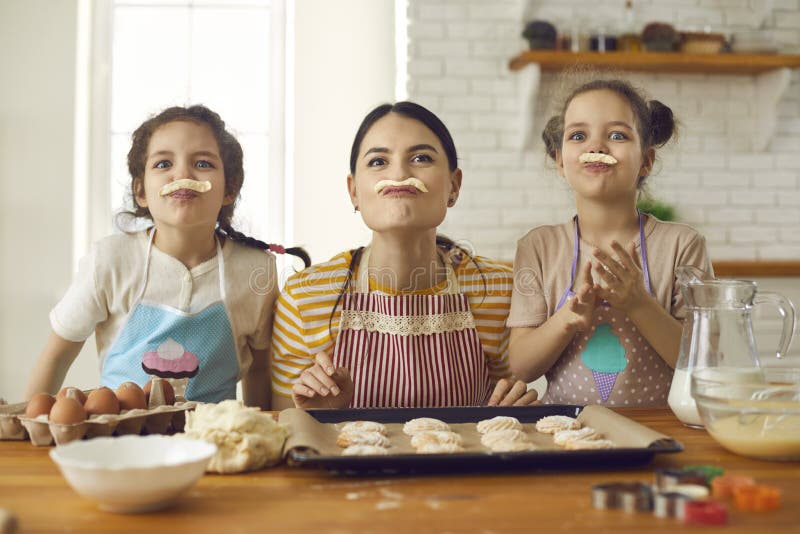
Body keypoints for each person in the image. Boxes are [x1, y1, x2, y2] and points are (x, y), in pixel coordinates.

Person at [25, 105, 309, 408]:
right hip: (122, 443)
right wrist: (27, 433)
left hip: (212, 445)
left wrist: (260, 436)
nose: (182, 174)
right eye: (163, 164)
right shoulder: (110, 261)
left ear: (230, 188)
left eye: (202, 163)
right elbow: (57, 356)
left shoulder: (256, 269)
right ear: (141, 192)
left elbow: (260, 368)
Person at [271, 101, 538, 409]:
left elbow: (505, 419)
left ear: (454, 186)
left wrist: (517, 412)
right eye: (377, 162)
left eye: (421, 158)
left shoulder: (498, 291)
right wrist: (322, 416)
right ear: (353, 190)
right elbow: (284, 430)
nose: (398, 174)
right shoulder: (305, 299)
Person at [508, 78, 712, 406]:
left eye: (617, 135)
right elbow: (521, 365)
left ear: (646, 160)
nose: (597, 147)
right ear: (560, 161)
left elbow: (701, 361)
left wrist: (638, 304)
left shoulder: (682, 245)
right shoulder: (538, 247)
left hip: (659, 430)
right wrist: (567, 320)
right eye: (578, 135)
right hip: (565, 432)